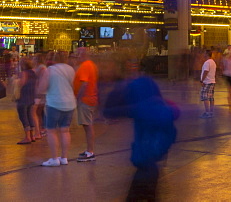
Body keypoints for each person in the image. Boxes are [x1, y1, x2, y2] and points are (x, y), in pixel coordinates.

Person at [105, 74, 178, 202]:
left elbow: (110, 110)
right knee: (148, 191)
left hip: (145, 160)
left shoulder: (142, 108)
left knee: (140, 192)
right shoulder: (159, 106)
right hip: (151, 158)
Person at [42, 51, 76, 166]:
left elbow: (43, 87)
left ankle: (54, 158)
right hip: (70, 103)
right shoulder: (71, 69)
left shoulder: (50, 70)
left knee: (51, 131)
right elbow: (73, 85)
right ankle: (64, 158)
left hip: (54, 103)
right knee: (65, 130)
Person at [73, 48, 99, 161]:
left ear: (82, 54)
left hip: (85, 99)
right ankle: (89, 150)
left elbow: (84, 83)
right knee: (87, 124)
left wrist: (78, 97)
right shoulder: (91, 65)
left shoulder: (85, 66)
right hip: (90, 98)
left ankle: (90, 152)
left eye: (77, 54)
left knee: (87, 125)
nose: (76, 57)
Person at [16, 58, 38, 144]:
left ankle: (27, 137)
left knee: (23, 117)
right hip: (31, 97)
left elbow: (21, 83)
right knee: (30, 116)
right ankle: (32, 136)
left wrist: (16, 80)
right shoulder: (33, 73)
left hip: (23, 97)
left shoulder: (24, 73)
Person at [200, 50, 217, 118]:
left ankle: (207, 112)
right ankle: (211, 112)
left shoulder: (207, 62)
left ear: (207, 54)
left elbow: (205, 71)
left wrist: (202, 80)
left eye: (204, 53)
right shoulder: (213, 62)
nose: (203, 55)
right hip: (212, 81)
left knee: (205, 97)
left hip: (207, 82)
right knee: (211, 97)